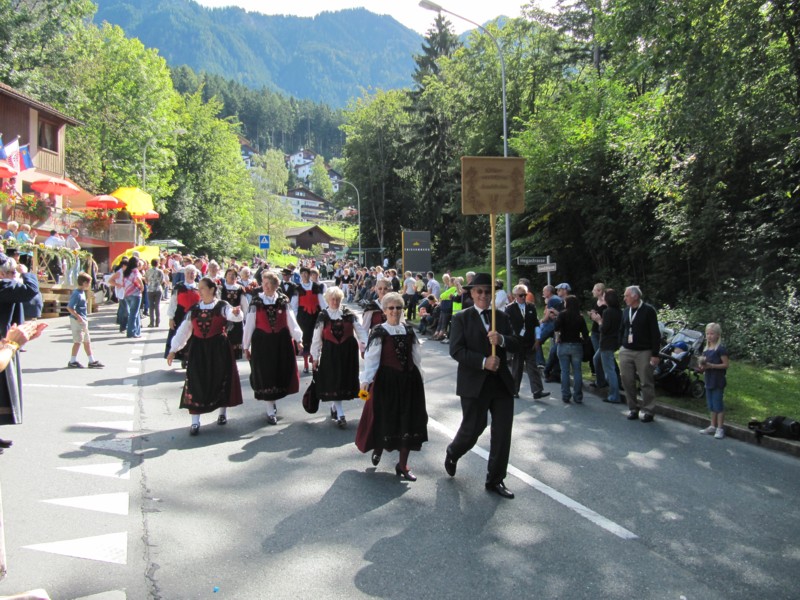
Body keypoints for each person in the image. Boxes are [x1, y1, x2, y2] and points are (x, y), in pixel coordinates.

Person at [445, 272, 520, 499]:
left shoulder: (503, 317)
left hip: (501, 384)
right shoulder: (461, 318)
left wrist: (503, 340)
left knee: (502, 432)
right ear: (471, 293)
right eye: (479, 291)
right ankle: (453, 451)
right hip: (474, 383)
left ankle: (495, 479)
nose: (484, 295)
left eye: (488, 291)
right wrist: (483, 361)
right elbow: (456, 350)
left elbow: (518, 344)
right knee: (473, 429)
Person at [355, 292, 428, 481]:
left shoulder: (409, 330)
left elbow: (416, 357)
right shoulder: (379, 331)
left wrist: (420, 377)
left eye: (398, 308)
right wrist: (366, 380)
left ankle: (403, 464)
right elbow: (372, 359)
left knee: (408, 421)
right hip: (387, 382)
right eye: (391, 308)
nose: (395, 311)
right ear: (384, 311)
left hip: (409, 382)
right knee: (385, 417)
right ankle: (379, 447)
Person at [167, 277, 243, 435]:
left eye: (202, 288)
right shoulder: (194, 309)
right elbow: (184, 330)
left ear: (212, 289)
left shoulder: (222, 306)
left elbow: (233, 316)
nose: (199, 291)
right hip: (199, 349)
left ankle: (222, 413)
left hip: (218, 348)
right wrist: (173, 349)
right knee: (196, 381)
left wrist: (237, 312)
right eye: (198, 288)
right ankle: (195, 422)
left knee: (221, 379)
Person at [243, 272, 303, 425]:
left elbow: (291, 319)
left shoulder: (283, 300)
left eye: (269, 284)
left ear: (276, 286)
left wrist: (298, 339)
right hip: (263, 343)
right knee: (266, 374)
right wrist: (245, 346)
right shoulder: (256, 302)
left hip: (281, 341)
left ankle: (273, 402)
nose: (266, 287)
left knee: (279, 372)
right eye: (264, 284)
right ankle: (270, 409)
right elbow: (249, 324)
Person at [311, 286, 367, 428]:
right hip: (330, 353)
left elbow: (360, 331)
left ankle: (335, 408)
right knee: (334, 381)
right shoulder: (323, 316)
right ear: (328, 300)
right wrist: (315, 356)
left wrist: (365, 347)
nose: (335, 302)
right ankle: (341, 414)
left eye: (337, 299)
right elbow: (316, 337)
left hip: (348, 353)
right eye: (332, 299)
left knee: (343, 381)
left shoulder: (349, 314)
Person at [0, 255, 40, 431]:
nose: (12, 275)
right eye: (10, 272)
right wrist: (26, 273)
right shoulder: (4, 286)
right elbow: (31, 290)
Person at [619, 285, 661, 423]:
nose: (624, 298)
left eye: (626, 296)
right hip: (626, 350)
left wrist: (655, 354)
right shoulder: (626, 311)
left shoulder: (648, 311)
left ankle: (649, 410)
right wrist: (621, 343)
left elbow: (655, 333)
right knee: (626, 379)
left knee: (645, 381)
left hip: (643, 351)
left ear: (635, 296)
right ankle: (633, 408)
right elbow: (622, 329)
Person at [505, 284, 549, 400]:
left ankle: (537, 390)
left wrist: (538, 338)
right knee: (517, 367)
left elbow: (536, 324)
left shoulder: (531, 307)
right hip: (517, 342)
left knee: (532, 366)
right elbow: (507, 326)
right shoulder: (509, 308)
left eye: (525, 295)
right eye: (521, 295)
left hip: (530, 342)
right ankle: (514, 390)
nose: (523, 297)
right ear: (515, 295)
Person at [554, 295, 590, 404]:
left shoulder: (562, 315)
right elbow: (585, 333)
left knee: (565, 371)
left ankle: (566, 395)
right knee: (577, 371)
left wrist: (557, 337)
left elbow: (556, 327)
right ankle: (578, 395)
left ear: (567, 304)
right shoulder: (580, 317)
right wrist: (582, 340)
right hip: (576, 345)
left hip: (563, 344)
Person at [66, 272, 104, 369]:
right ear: (83, 283)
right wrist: (78, 316)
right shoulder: (77, 294)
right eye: (88, 282)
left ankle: (91, 360)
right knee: (78, 341)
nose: (89, 285)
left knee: (86, 341)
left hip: (82, 319)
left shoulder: (82, 292)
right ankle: (72, 361)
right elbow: (70, 307)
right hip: (77, 320)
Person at [591, 288, 623, 404]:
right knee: (596, 358)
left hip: (606, 343)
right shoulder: (620, 311)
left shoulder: (607, 312)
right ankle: (600, 382)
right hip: (614, 342)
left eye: (604, 296)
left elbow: (604, 329)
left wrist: (599, 321)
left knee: (609, 369)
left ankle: (614, 395)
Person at [698, 323, 729, 439]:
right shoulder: (706, 350)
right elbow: (704, 365)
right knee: (711, 405)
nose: (709, 336)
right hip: (709, 379)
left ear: (717, 335)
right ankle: (712, 425)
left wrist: (712, 365)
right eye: (707, 334)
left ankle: (720, 428)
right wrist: (702, 367)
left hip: (718, 380)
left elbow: (726, 365)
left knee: (718, 405)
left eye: (712, 334)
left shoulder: (720, 349)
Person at [164, 265, 201, 362]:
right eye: (188, 273)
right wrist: (171, 318)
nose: (190, 275)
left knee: (193, 337)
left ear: (196, 274)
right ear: (185, 274)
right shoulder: (179, 287)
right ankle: (180, 356)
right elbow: (173, 302)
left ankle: (190, 358)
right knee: (180, 335)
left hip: (195, 315)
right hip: (180, 315)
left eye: (192, 273)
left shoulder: (199, 287)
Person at [295, 266, 327, 373]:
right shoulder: (297, 288)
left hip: (315, 316)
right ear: (300, 275)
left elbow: (322, 302)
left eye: (306, 273)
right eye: (302, 273)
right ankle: (305, 364)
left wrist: (326, 313)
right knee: (305, 339)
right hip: (303, 317)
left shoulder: (316, 287)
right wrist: (294, 319)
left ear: (309, 274)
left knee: (316, 337)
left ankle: (314, 360)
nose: (304, 275)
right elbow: (294, 305)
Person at [221, 267, 248, 360]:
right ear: (225, 276)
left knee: (236, 339)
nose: (231, 277)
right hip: (224, 318)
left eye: (233, 275)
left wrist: (245, 318)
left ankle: (234, 365)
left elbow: (244, 304)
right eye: (229, 274)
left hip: (237, 318)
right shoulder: (221, 288)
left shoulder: (240, 289)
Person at [121, 258, 143, 338]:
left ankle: (137, 331)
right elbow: (138, 279)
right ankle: (131, 332)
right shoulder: (135, 271)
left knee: (134, 313)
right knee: (134, 314)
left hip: (127, 294)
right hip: (135, 294)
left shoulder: (126, 271)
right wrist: (142, 287)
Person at [145, 258, 164, 328]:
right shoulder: (160, 271)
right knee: (157, 305)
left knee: (151, 306)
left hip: (150, 289)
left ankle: (151, 322)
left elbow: (146, 280)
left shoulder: (147, 271)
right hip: (158, 289)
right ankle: (157, 322)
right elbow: (162, 280)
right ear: (157, 264)